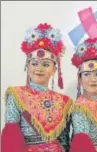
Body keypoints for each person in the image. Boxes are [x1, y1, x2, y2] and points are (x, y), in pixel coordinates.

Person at [1, 23, 72, 152]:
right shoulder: (16, 95)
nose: (39, 69)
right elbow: (11, 138)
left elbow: (65, 141)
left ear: (54, 69)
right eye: (34, 63)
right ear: (27, 67)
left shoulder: (64, 101)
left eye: (45, 64)